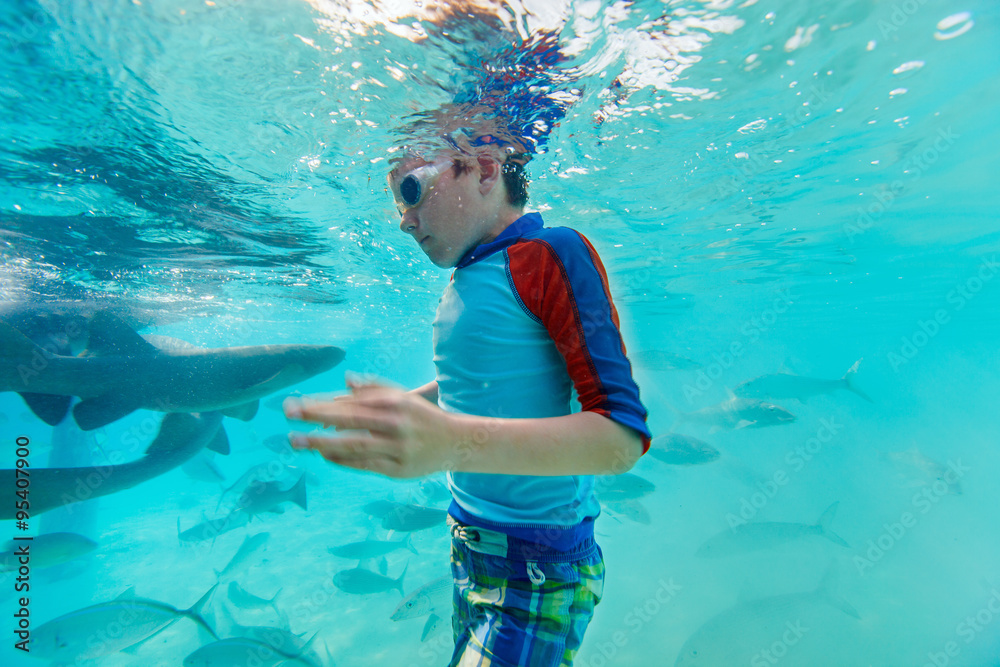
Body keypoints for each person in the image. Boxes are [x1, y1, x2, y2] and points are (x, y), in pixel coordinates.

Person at [284, 142, 651, 667]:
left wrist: (448, 442)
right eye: (397, 205)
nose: (405, 221)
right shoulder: (472, 274)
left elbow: (620, 441)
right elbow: (478, 381)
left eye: (411, 190)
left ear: (483, 167)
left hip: (538, 572)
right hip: (468, 556)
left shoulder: (552, 254)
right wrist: (405, 411)